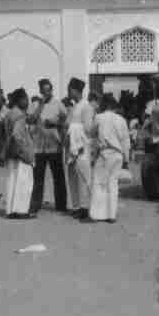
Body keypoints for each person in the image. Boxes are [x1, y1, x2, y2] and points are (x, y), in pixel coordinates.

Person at [28, 78, 68, 214]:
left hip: (54, 146)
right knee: (38, 178)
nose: (47, 93)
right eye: (44, 91)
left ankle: (61, 205)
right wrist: (41, 105)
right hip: (38, 147)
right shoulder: (34, 105)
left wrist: (56, 124)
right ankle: (35, 204)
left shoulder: (59, 104)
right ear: (40, 91)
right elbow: (31, 120)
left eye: (49, 90)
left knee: (59, 177)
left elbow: (65, 122)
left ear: (52, 90)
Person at [90, 95, 130, 223]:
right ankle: (111, 215)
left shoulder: (99, 118)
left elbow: (91, 133)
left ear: (104, 105)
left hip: (104, 153)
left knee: (99, 183)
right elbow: (126, 142)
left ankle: (97, 214)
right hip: (118, 155)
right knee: (113, 184)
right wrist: (126, 160)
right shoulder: (121, 120)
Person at [1, 88, 36, 219]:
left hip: (10, 152)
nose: (27, 102)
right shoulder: (20, 115)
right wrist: (24, 151)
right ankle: (21, 211)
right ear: (20, 100)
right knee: (24, 182)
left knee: (12, 181)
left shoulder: (9, 114)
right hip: (20, 153)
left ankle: (11, 210)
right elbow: (16, 135)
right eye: (26, 99)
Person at [64, 78, 96, 220]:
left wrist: (74, 129)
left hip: (81, 147)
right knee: (72, 178)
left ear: (75, 90)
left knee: (84, 178)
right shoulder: (73, 107)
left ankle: (85, 207)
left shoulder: (86, 107)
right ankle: (76, 206)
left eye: (69, 90)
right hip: (71, 148)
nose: (68, 92)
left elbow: (88, 129)